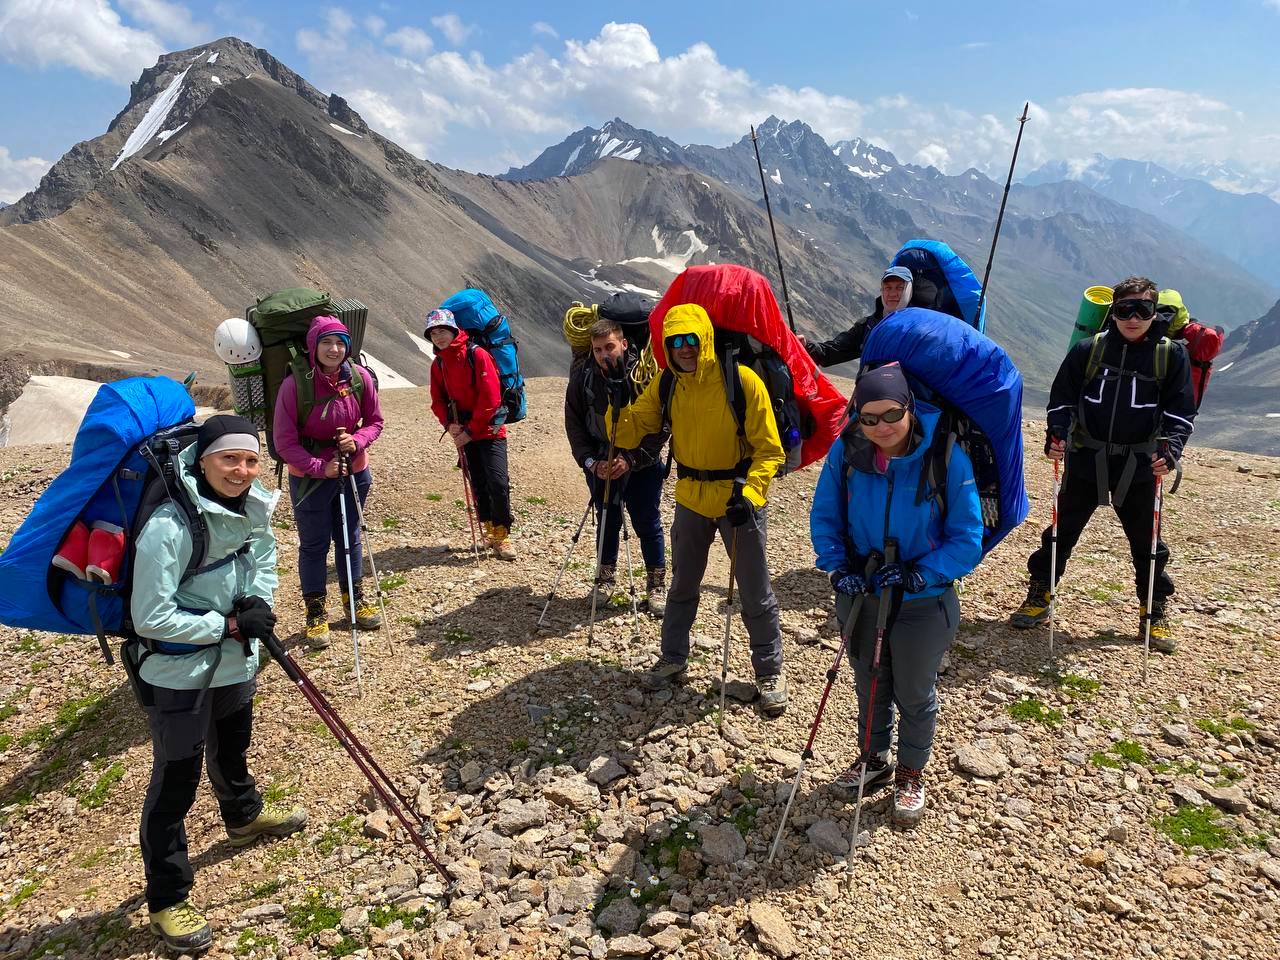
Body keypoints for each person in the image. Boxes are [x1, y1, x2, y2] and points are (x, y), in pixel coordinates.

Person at [124, 415, 307, 953]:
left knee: (233, 743)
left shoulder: (251, 507)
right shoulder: (169, 526)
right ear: (202, 460)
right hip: (176, 671)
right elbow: (149, 617)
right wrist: (226, 624)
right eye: (230, 458)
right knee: (175, 780)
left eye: (250, 459)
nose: (242, 470)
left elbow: (264, 558)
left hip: (231, 660)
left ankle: (243, 817)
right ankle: (167, 899)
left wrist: (260, 601)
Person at [810, 365, 982, 824]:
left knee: (914, 690)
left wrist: (921, 574)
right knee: (869, 680)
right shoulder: (846, 452)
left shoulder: (945, 457)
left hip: (924, 601)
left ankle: (910, 769)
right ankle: (874, 759)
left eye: (892, 414)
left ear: (909, 409)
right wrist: (837, 567)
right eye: (869, 418)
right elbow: (825, 517)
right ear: (857, 418)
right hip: (863, 590)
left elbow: (967, 536)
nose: (881, 427)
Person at [606, 303, 789, 716]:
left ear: (704, 338)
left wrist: (752, 495)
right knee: (683, 584)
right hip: (690, 497)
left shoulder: (742, 381)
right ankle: (673, 657)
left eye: (691, 339)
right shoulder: (668, 384)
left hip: (736, 499)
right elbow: (630, 431)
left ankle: (769, 672)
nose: (685, 348)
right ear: (667, 346)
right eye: (676, 341)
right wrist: (616, 403)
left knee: (755, 590)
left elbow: (770, 451)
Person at [1010, 276, 1196, 653]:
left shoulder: (1170, 356)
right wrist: (1057, 432)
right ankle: (1041, 594)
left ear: (1154, 312)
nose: (1133, 318)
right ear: (1113, 312)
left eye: (1142, 309)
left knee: (1147, 541)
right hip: (1086, 457)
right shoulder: (1088, 350)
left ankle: (1153, 609)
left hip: (1140, 464)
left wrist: (1171, 448)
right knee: (1061, 533)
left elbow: (1181, 411)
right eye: (1125, 309)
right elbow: (1062, 397)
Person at [274, 316, 385, 647]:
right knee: (314, 544)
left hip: (354, 472)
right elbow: (284, 442)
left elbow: (375, 422)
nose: (334, 349)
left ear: (348, 346)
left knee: (350, 539)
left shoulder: (360, 378)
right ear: (313, 346)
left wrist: (358, 441)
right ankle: (316, 612)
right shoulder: (295, 385)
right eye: (326, 342)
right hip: (310, 478)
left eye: (340, 343)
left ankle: (355, 600)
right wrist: (319, 467)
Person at [565, 318, 670, 612]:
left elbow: (662, 424)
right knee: (608, 518)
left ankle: (656, 585)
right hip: (602, 459)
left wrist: (633, 458)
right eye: (598, 349)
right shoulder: (583, 376)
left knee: (646, 521)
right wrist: (590, 462)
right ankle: (605, 580)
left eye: (609, 347)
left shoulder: (644, 376)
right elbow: (574, 422)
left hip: (641, 463)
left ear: (623, 344)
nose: (604, 354)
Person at [426, 308, 517, 561]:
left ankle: (502, 533)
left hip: (490, 430)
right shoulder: (439, 363)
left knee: (498, 482)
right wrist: (449, 424)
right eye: (434, 333)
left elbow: (491, 398)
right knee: (478, 482)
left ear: (454, 330)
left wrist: (469, 431)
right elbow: (437, 400)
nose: (439, 337)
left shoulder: (477, 355)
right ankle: (490, 529)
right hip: (464, 431)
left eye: (442, 331)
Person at [799, 265, 914, 367]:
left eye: (900, 288)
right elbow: (832, 352)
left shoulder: (920, 327)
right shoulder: (867, 326)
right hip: (870, 389)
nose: (893, 294)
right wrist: (807, 346)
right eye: (888, 288)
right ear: (882, 290)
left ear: (909, 291)